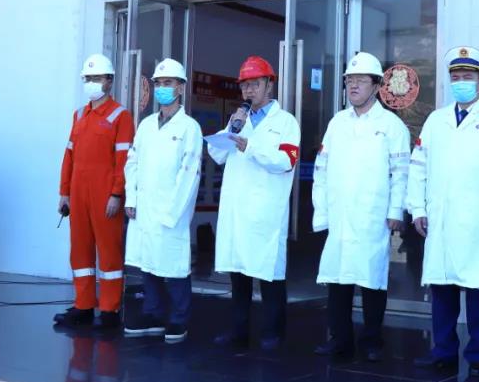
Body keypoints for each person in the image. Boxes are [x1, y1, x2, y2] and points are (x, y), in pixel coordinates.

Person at [408, 46, 479, 376]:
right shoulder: (436, 120)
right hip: (440, 217)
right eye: (455, 77)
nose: (461, 83)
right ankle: (442, 351)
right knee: (442, 285)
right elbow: (418, 167)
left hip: (477, 219)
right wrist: (417, 208)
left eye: (467, 77)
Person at [312, 52, 410, 362]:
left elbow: (401, 173)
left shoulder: (391, 126)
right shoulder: (337, 123)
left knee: (372, 279)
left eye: (360, 80)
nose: (353, 86)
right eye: (349, 81)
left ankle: (372, 341)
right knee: (338, 278)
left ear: (377, 85)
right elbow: (321, 169)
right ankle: (339, 339)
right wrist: (321, 210)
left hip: (373, 214)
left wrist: (395, 211)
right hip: (340, 213)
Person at [206, 55, 301, 351]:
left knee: (269, 274)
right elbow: (216, 155)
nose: (249, 90)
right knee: (239, 275)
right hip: (237, 209)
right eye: (245, 85)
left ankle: (273, 332)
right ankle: (238, 331)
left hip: (266, 210)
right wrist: (233, 129)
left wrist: (252, 147)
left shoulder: (285, 122)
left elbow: (286, 161)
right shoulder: (238, 119)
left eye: (255, 84)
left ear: (269, 85)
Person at [123, 59, 203, 344]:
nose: (162, 88)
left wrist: (173, 211)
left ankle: (179, 319)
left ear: (180, 87)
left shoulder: (189, 128)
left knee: (174, 265)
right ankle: (153, 313)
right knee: (148, 262)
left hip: (172, 209)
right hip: (145, 207)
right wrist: (131, 197)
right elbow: (132, 162)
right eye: (158, 83)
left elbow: (189, 173)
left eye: (168, 83)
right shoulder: (145, 125)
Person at [54, 53, 133, 329]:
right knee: (80, 251)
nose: (91, 83)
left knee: (109, 251)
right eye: (87, 78)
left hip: (105, 195)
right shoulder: (79, 115)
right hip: (78, 194)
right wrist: (64, 193)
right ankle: (83, 305)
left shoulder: (121, 116)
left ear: (109, 81)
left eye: (96, 78)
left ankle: (109, 310)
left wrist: (116, 194)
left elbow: (124, 161)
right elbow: (69, 156)